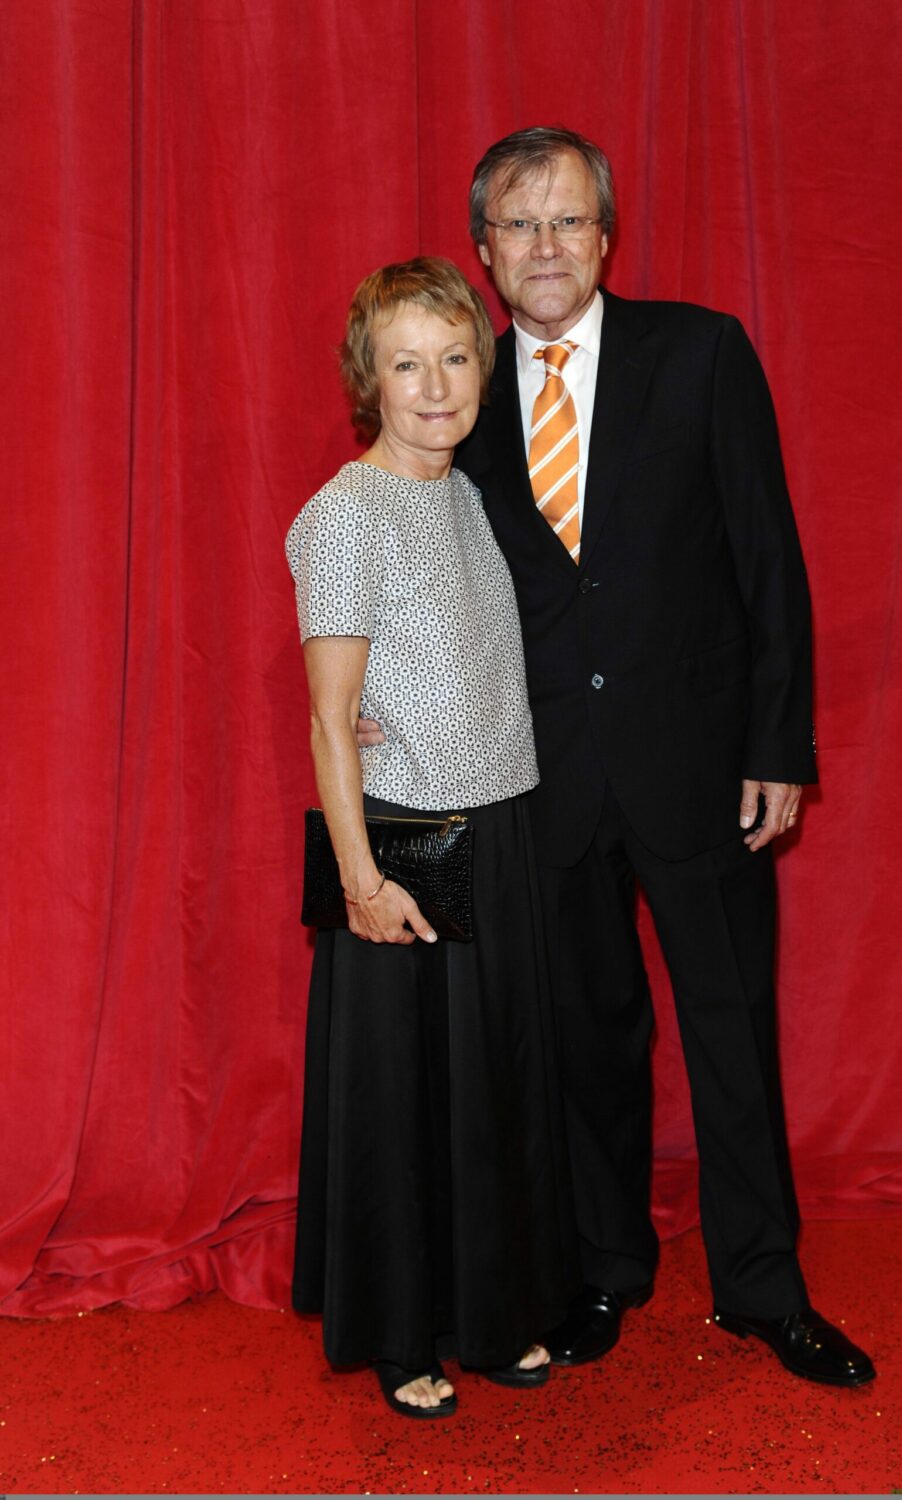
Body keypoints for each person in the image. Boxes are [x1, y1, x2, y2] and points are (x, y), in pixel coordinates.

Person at [456, 126, 875, 1385]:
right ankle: (604, 1270)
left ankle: (761, 1284)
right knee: (588, 1037)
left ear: (605, 238)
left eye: (567, 221)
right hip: (543, 778)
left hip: (701, 767)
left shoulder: (697, 354)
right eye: (519, 225)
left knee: (732, 1030)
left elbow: (766, 559)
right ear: (484, 252)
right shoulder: (453, 391)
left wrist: (777, 741)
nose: (544, 246)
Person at [285, 256, 579, 1419]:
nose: (435, 384)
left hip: (500, 824)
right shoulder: (344, 513)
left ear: (482, 365)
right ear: (369, 379)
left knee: (491, 1089)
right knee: (407, 1105)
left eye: (455, 357)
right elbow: (325, 717)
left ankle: (493, 1312)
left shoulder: (463, 492)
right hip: (405, 841)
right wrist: (360, 881)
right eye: (406, 363)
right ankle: (403, 1333)